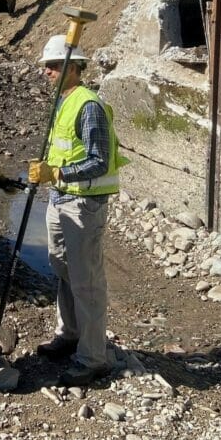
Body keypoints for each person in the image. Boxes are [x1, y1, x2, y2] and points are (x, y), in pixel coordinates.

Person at [27, 34, 128, 386]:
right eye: (47, 67)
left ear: (73, 68)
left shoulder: (88, 106)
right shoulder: (63, 103)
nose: (48, 73)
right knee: (62, 266)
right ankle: (69, 334)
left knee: (86, 281)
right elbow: (65, 149)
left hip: (84, 204)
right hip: (60, 199)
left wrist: (57, 172)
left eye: (53, 67)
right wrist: (48, 170)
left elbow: (99, 161)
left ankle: (92, 357)